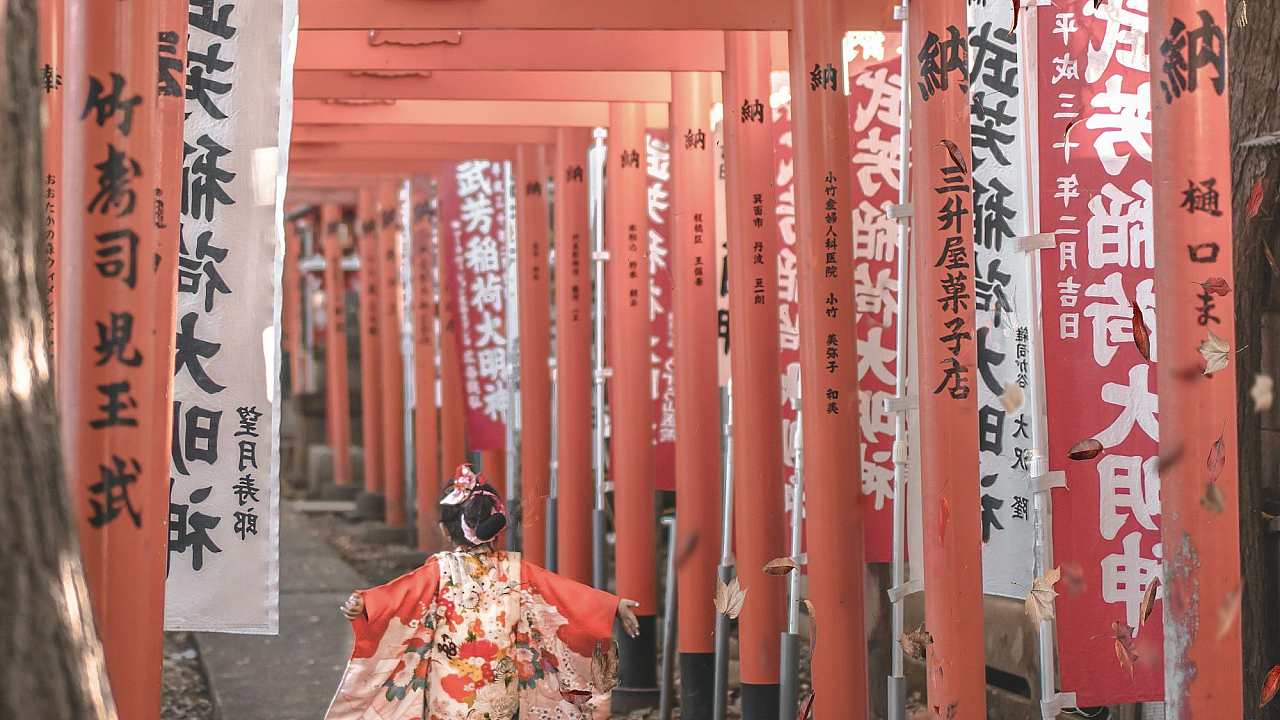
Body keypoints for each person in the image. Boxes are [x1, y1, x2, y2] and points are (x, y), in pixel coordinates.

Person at [324, 465, 640, 720]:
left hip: (450, 698)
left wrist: (364, 604)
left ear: (445, 530)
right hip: (501, 694)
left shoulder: (440, 571)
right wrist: (611, 605)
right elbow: (564, 595)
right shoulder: (516, 571)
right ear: (497, 527)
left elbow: (399, 597)